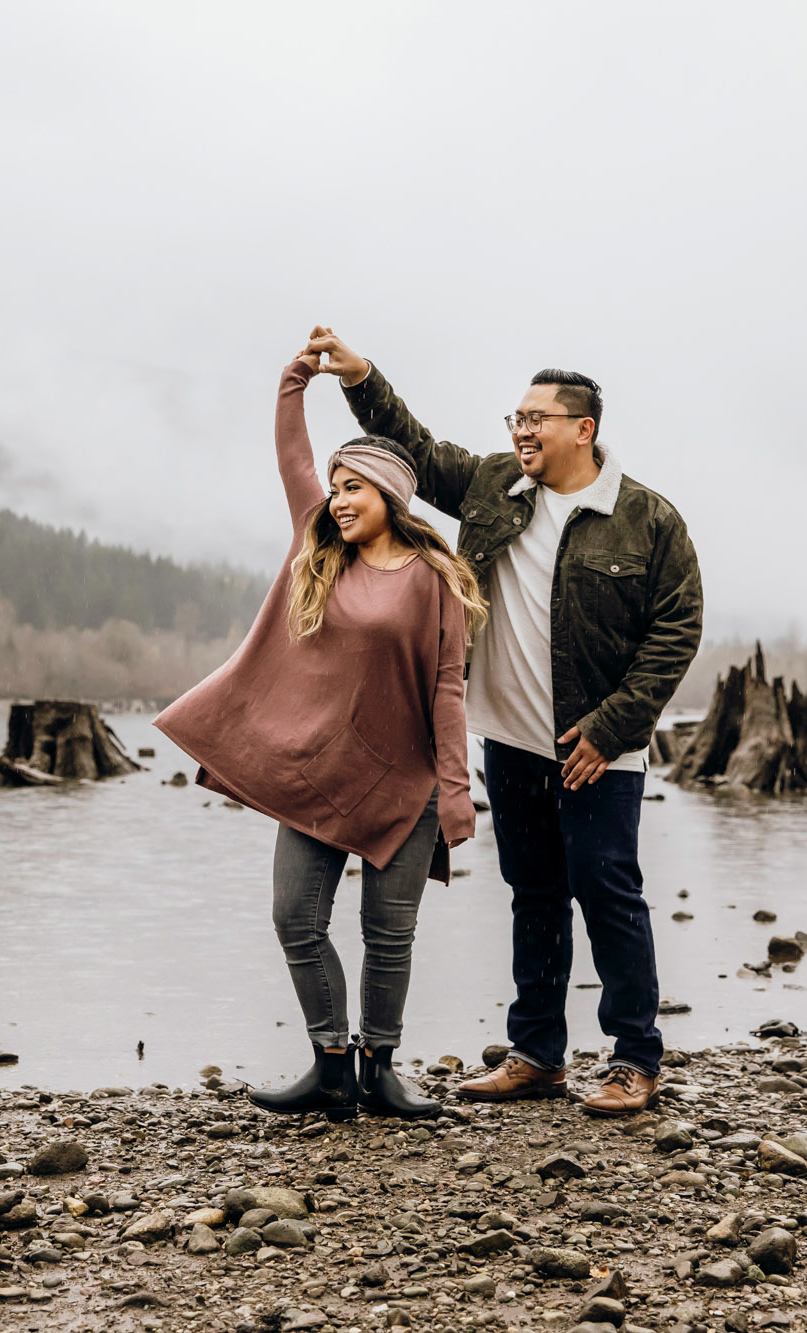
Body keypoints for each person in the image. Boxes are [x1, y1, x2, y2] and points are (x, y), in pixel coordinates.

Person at [303, 326, 703, 1117]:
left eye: (538, 419)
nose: (521, 430)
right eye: (515, 418)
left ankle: (633, 1058)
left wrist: (612, 726)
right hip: (511, 741)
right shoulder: (491, 486)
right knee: (535, 894)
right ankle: (538, 1055)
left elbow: (676, 628)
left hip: (597, 748)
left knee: (609, 891)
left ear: (582, 429)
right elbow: (410, 448)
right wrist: (361, 376)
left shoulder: (646, 519)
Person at [155, 351, 485, 1120]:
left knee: (387, 933)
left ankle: (382, 1070)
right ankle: (331, 1062)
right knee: (295, 918)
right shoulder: (318, 550)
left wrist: (457, 790)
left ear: (392, 496)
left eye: (353, 488)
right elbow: (293, 455)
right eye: (334, 489)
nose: (337, 500)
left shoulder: (432, 577)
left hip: (406, 787)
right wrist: (295, 379)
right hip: (316, 778)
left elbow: (446, 687)